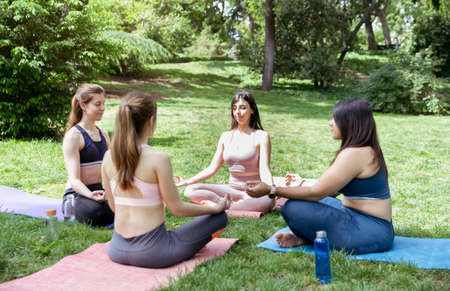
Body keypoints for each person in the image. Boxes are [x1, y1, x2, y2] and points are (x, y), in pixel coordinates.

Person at [246, 98, 394, 254]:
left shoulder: (355, 153)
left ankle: (310, 238)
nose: (330, 123)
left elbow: (315, 193)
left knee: (293, 208)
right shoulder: (363, 149)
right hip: (359, 218)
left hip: (371, 230)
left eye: (336, 119)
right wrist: (300, 183)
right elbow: (330, 191)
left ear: (350, 123)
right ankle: (309, 238)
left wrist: (272, 189)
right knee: (305, 200)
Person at [102, 92, 230, 268]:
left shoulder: (108, 157)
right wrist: (214, 208)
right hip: (153, 254)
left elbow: (113, 207)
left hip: (116, 250)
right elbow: (177, 208)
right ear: (151, 121)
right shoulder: (158, 159)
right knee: (219, 219)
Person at [176, 90, 275, 213]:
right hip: (231, 190)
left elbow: (264, 169)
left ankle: (222, 207)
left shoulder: (261, 136)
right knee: (190, 190)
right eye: (234, 108)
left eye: (243, 108)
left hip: (253, 190)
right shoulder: (226, 136)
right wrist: (187, 181)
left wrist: (271, 189)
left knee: (267, 201)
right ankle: (227, 204)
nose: (238, 112)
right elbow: (212, 168)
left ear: (252, 110)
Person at [62, 84, 114, 227]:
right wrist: (90, 195)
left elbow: (111, 170)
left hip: (99, 191)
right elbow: (74, 180)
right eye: (97, 104)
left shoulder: (103, 134)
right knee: (98, 214)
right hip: (78, 194)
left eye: (103, 104)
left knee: (126, 206)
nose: (102, 108)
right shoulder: (74, 136)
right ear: (83, 106)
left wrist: (109, 192)